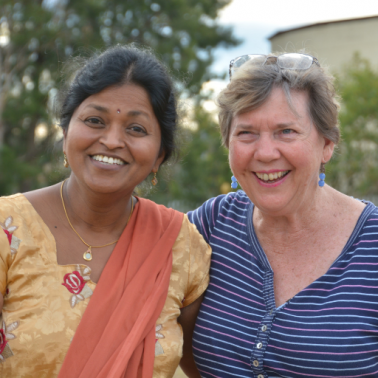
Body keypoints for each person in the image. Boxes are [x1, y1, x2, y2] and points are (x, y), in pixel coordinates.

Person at [0, 45, 211, 378]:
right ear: (66, 131)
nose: (112, 141)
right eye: (95, 120)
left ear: (159, 155)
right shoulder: (6, 229)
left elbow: (206, 366)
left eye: (136, 128)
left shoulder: (180, 245)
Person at [185, 53, 378, 378]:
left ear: (327, 144)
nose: (265, 153)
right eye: (246, 133)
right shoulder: (211, 226)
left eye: (286, 131)